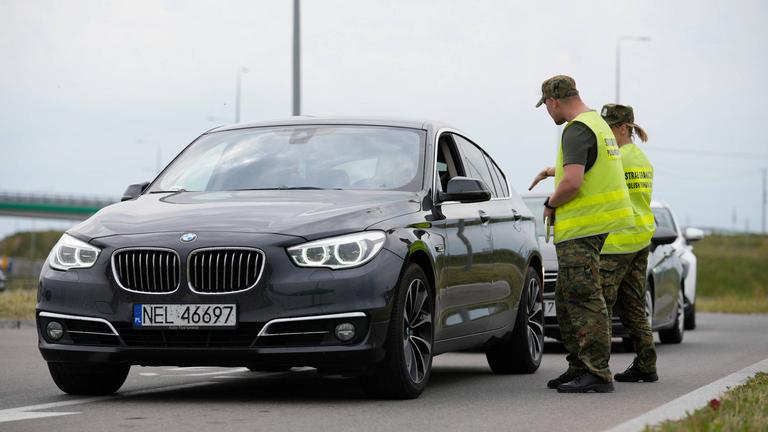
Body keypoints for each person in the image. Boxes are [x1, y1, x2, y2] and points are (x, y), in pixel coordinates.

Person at [531, 75, 634, 393]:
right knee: (566, 298)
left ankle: (596, 372)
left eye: (546, 107)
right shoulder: (598, 124)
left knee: (584, 298)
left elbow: (573, 182)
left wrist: (550, 203)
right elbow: (584, 170)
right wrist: (554, 172)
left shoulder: (575, 129)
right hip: (593, 225)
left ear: (553, 102)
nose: (549, 113)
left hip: (582, 228)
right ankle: (578, 366)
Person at [599, 104, 658, 383]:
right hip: (640, 238)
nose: (606, 134)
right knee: (634, 304)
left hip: (617, 241)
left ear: (624, 128)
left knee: (600, 305)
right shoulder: (642, 158)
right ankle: (647, 364)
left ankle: (595, 369)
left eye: (609, 128)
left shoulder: (616, 158)